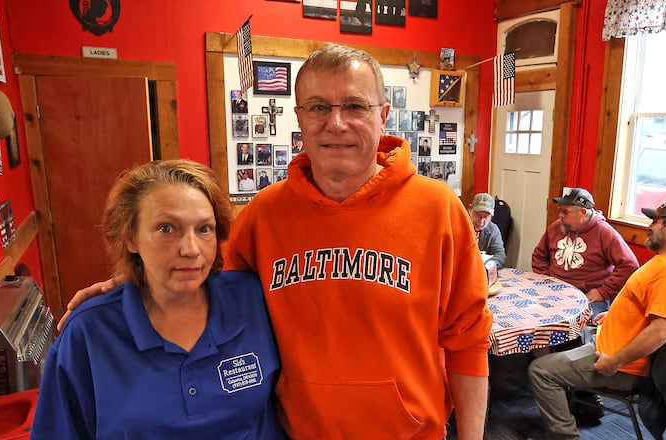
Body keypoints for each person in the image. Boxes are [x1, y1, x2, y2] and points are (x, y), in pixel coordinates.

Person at [62, 43, 493, 440]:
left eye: (355, 106)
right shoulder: (264, 214)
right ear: (300, 117)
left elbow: (469, 342)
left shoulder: (438, 208)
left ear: (382, 115)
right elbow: (195, 267)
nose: (336, 122)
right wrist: (131, 279)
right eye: (319, 106)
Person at [33, 160, 283, 438]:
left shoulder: (255, 300)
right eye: (167, 229)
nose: (191, 249)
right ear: (130, 239)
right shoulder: (90, 333)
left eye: (204, 229)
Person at [527, 200, 666, 440]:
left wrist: (615, 361)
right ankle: (582, 405)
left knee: (540, 371)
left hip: (618, 362)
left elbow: (662, 331)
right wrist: (615, 314)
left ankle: (564, 436)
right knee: (565, 347)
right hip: (606, 342)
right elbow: (646, 308)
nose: (649, 227)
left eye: (655, 221)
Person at [532, 187, 639, 318]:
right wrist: (545, 279)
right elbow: (539, 255)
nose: (560, 215)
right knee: (532, 313)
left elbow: (629, 265)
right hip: (553, 289)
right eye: (560, 210)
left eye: (566, 212)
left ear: (583, 212)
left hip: (587, 294)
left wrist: (604, 292)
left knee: (585, 325)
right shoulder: (557, 226)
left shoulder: (605, 232)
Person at [468, 193, 506, 268]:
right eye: (478, 215)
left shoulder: (493, 229)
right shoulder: (459, 225)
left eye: (486, 217)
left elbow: (500, 255)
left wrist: (489, 265)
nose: (481, 221)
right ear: (470, 209)